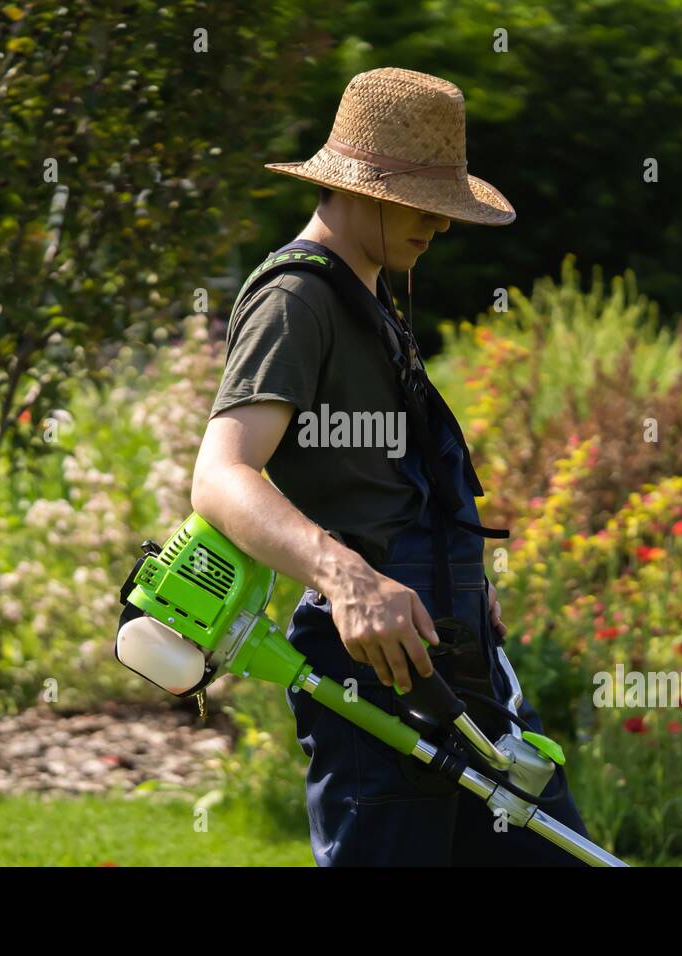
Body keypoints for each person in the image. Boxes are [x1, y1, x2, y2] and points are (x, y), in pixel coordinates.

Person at [191, 67, 591, 866]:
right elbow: (222, 475)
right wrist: (348, 579)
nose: (439, 229)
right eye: (424, 205)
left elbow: (387, 484)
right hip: (377, 672)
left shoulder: (368, 298)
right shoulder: (295, 300)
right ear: (361, 186)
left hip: (458, 659)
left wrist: (467, 589)